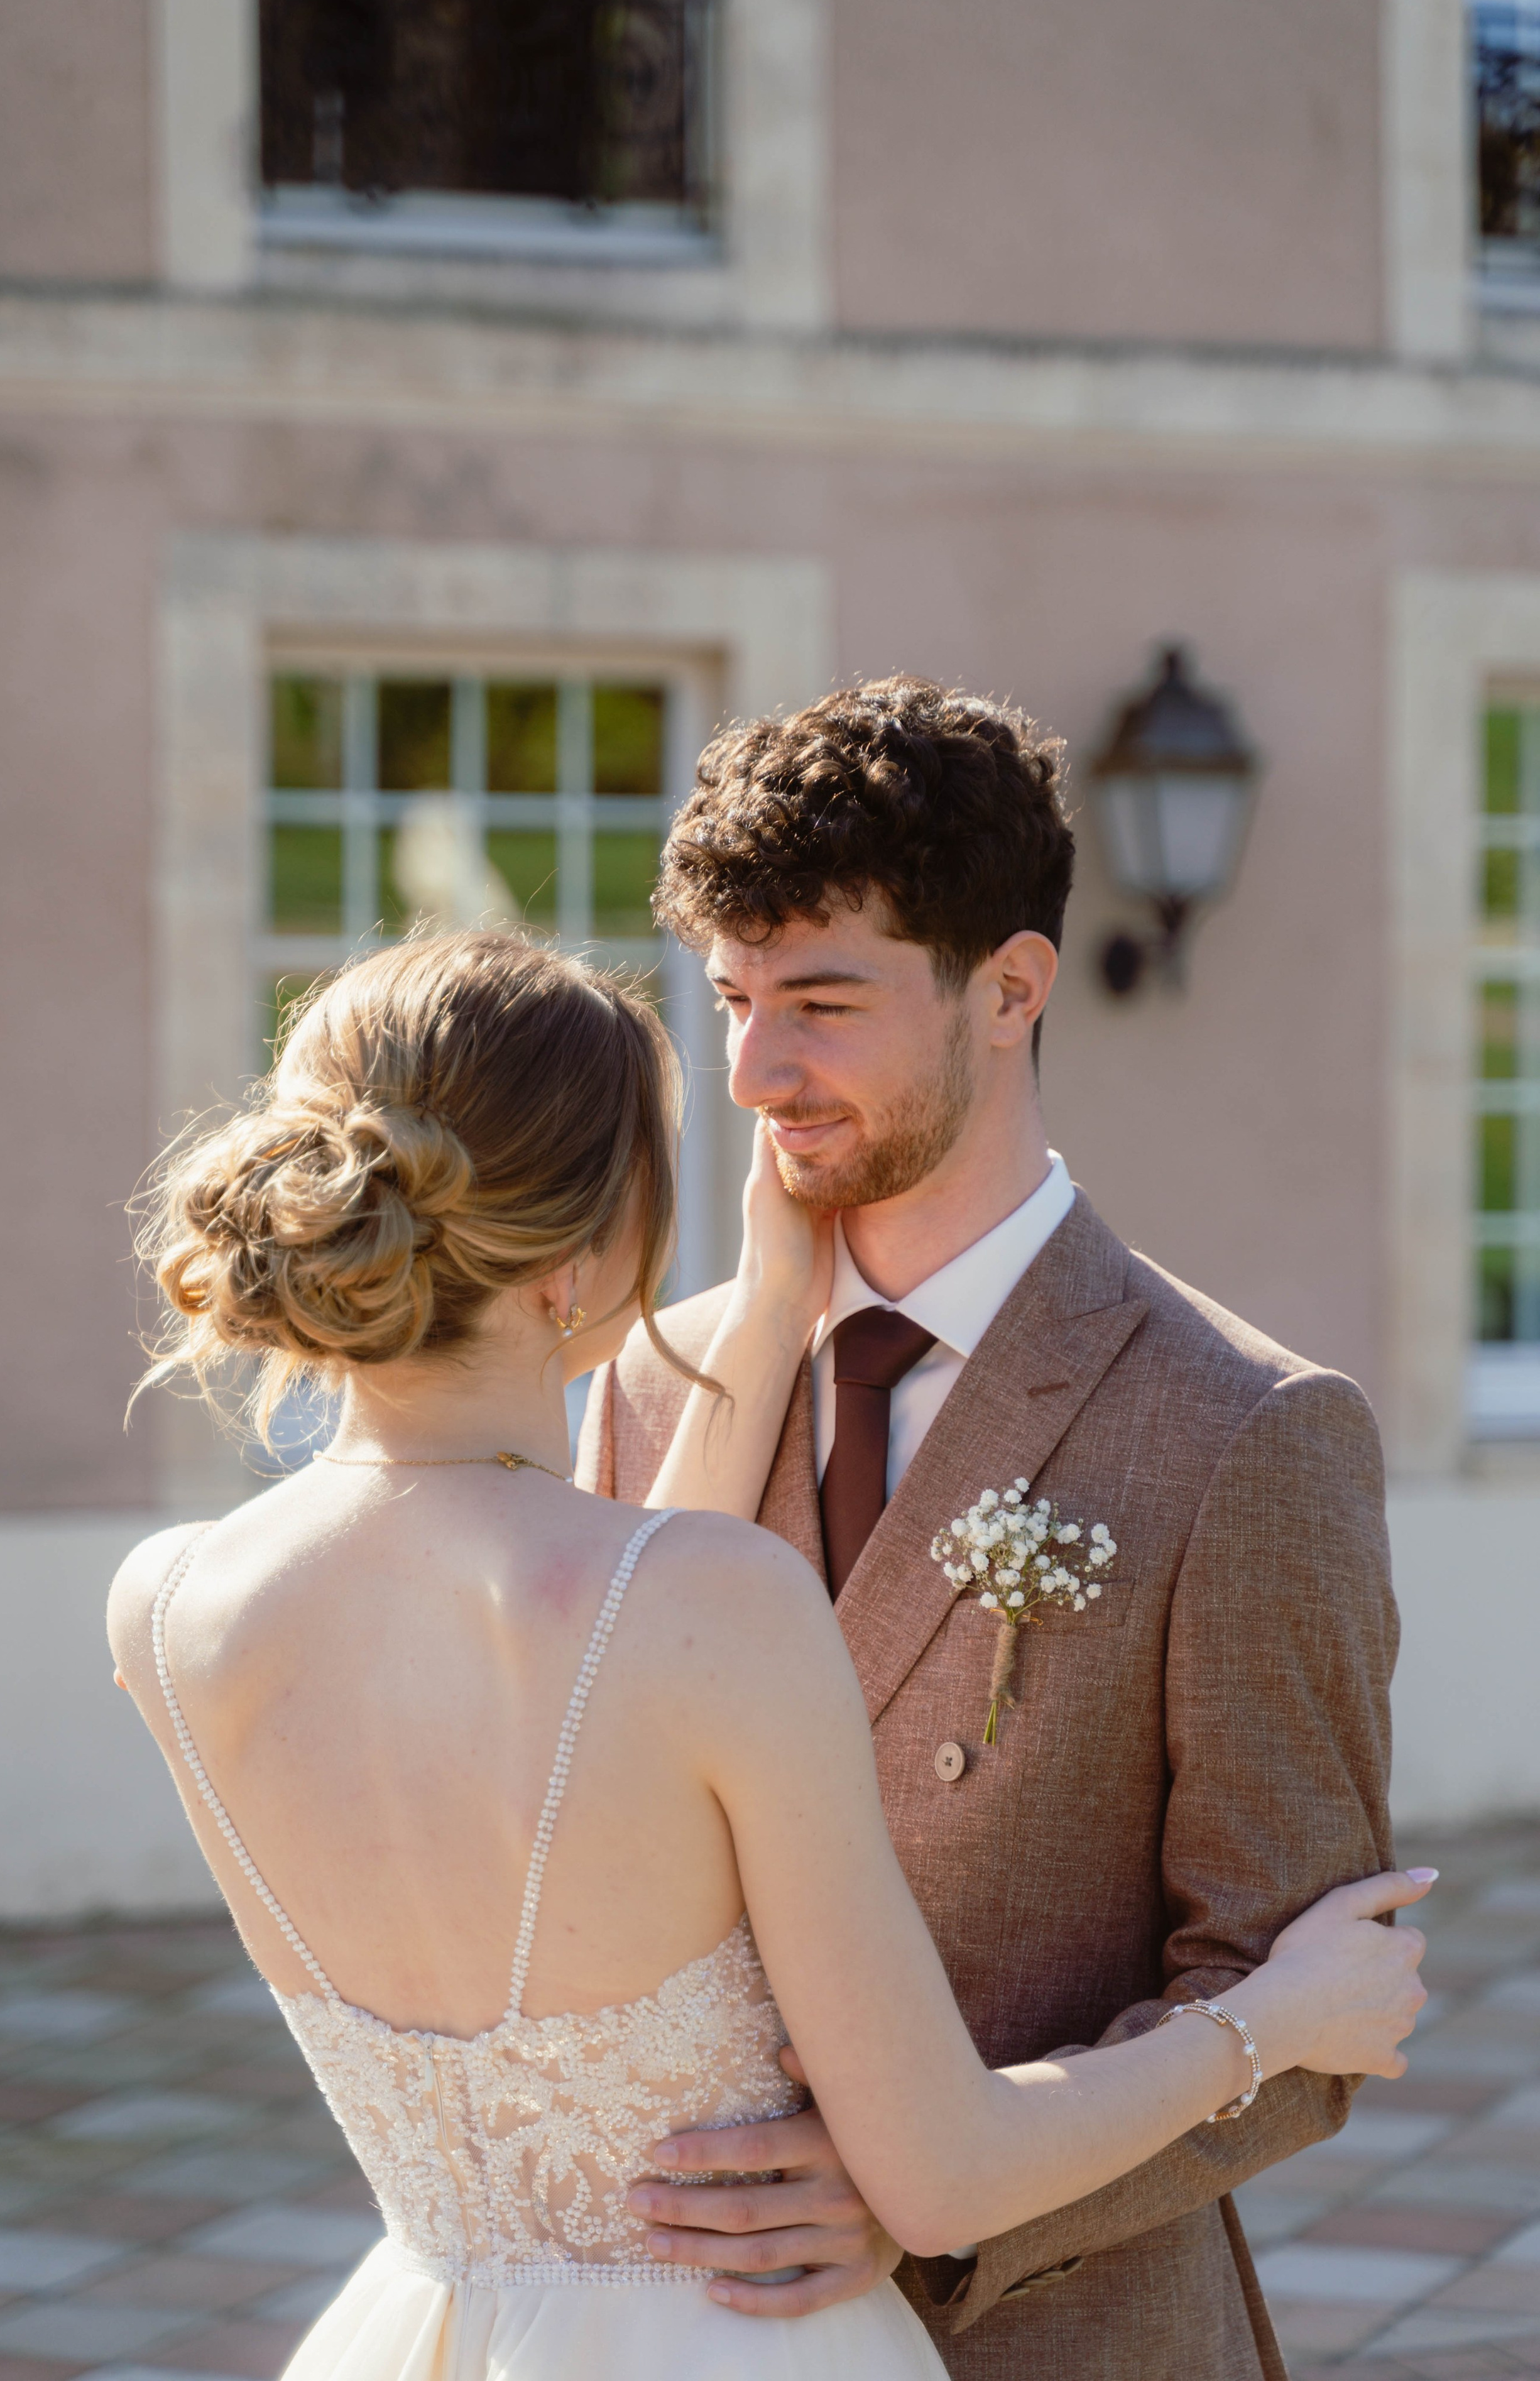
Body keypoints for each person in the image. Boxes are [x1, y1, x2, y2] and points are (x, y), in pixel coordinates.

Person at [109, 929, 1428, 2381]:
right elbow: (940, 2177)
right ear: (585, 1258)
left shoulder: (167, 1608)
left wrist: (762, 1307)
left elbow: (595, 1684)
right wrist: (1266, 2020)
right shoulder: (705, 1604)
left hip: (431, 2327)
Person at [578, 679, 1407, 2381]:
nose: (753, 1069)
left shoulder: (1250, 1432)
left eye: (820, 1000)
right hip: (679, 2327)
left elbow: (1301, 2009)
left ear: (1012, 989)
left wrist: (929, 2193)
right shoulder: (654, 1388)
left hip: (1066, 2333)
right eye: (733, 999)